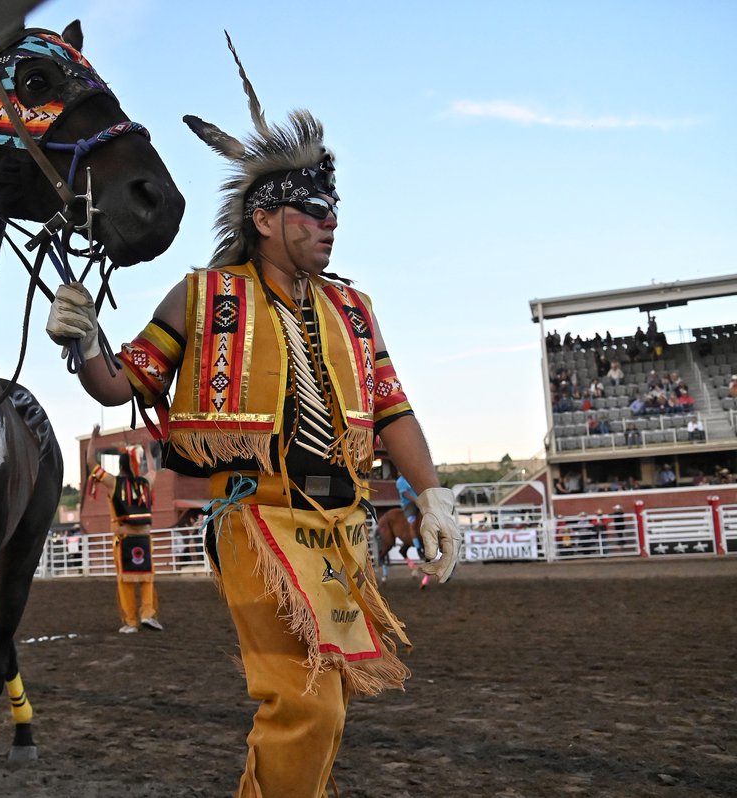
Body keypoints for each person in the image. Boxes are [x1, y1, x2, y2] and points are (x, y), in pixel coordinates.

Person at [46, 57, 461, 798]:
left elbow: (392, 407)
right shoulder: (203, 297)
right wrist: (84, 342)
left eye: (334, 209)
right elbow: (124, 382)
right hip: (257, 521)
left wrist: (434, 494)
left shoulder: (354, 310)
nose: (329, 222)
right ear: (264, 219)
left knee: (321, 706)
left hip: (341, 526)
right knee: (304, 702)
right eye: (311, 209)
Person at [86, 427, 163, 633]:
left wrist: (93, 439)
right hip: (144, 538)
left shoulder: (114, 483)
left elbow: (92, 464)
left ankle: (131, 621)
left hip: (124, 537)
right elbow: (154, 470)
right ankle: (148, 614)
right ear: (135, 466)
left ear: (120, 466)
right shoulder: (144, 483)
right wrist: (147, 449)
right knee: (147, 577)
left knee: (126, 581)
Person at [395, 473, 427, 587]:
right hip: (409, 505)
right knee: (412, 524)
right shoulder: (400, 481)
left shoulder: (412, 477)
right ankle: (418, 548)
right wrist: (416, 500)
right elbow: (405, 493)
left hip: (418, 502)